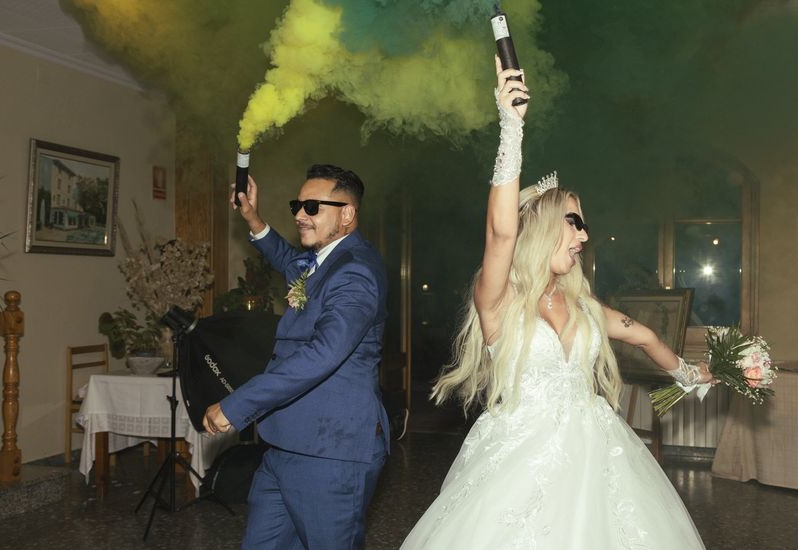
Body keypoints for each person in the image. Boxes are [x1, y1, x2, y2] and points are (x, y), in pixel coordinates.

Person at [400, 58, 711, 549]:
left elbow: (644, 334)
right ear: (542, 225)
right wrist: (511, 126)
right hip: (518, 457)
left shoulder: (584, 305)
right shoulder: (497, 298)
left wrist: (693, 376)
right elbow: (501, 231)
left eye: (584, 225)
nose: (584, 235)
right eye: (575, 222)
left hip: (598, 455)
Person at [204, 164, 389, 550]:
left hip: (330, 452)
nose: (299, 215)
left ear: (347, 214)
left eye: (311, 207)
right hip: (287, 445)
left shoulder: (356, 272)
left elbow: (322, 354)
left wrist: (238, 405)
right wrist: (253, 218)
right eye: (297, 205)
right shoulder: (324, 260)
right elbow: (291, 264)